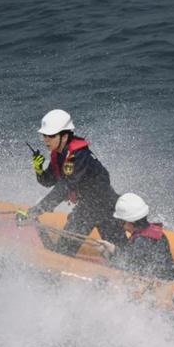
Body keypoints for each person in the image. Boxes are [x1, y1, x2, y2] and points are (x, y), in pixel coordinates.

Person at [23, 109, 127, 256]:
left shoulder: (77, 155)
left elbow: (65, 187)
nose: (46, 139)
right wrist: (39, 170)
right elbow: (49, 181)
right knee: (65, 250)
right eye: (44, 135)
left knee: (64, 253)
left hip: (102, 206)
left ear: (64, 136)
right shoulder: (59, 154)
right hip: (89, 207)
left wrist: (38, 209)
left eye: (51, 136)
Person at [97, 193, 174, 281]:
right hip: (166, 279)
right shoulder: (155, 233)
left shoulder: (141, 241)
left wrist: (112, 251)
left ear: (130, 222)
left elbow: (129, 266)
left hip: (155, 284)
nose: (120, 225)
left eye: (121, 222)